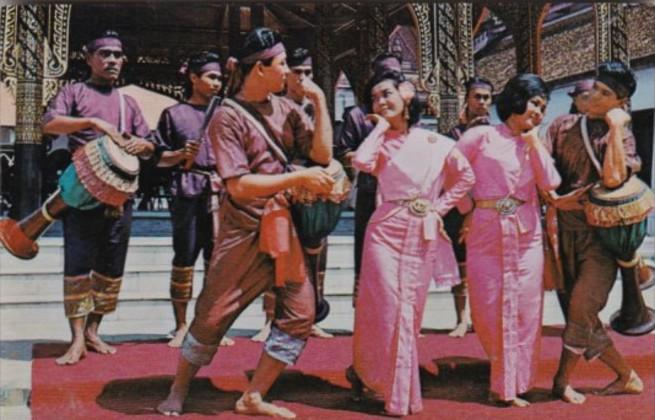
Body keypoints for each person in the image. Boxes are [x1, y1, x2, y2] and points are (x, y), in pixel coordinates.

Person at [157, 27, 334, 419]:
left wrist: (319, 102)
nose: (291, 71)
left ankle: (253, 396)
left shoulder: (288, 108)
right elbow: (238, 186)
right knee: (212, 315)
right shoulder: (226, 118)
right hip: (244, 230)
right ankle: (179, 387)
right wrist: (297, 179)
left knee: (302, 313)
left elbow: (321, 154)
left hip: (284, 227)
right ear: (259, 69)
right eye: (283, 63)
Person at [348, 71, 475, 416]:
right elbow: (361, 163)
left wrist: (440, 208)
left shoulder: (435, 143)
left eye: (387, 94)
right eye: (374, 98)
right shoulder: (379, 142)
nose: (381, 102)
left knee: (409, 311)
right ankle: (385, 384)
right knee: (386, 310)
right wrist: (378, 126)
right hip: (384, 230)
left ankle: (398, 390)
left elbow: (466, 176)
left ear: (406, 96)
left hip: (422, 229)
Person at [41, 30, 155, 365]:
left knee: (111, 267)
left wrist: (140, 146)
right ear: (88, 57)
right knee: (78, 265)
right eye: (104, 54)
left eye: (117, 55)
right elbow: (49, 124)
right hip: (83, 192)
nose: (112, 61)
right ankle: (75, 338)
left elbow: (148, 145)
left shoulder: (127, 102)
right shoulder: (73, 92)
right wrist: (92, 121)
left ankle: (93, 331)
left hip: (120, 196)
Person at [456, 74, 561, 407]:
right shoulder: (481, 136)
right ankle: (504, 376)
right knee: (488, 305)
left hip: (526, 233)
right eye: (534, 103)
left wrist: (535, 145)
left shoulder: (534, 143)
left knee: (527, 309)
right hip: (486, 230)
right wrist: (467, 207)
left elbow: (551, 182)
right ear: (516, 99)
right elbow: (450, 170)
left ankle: (510, 385)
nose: (539, 113)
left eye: (543, 107)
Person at [545, 61, 644, 404]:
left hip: (601, 239)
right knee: (581, 313)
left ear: (621, 103)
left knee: (581, 308)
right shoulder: (561, 126)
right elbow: (541, 174)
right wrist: (555, 201)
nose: (594, 96)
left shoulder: (624, 137)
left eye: (606, 94)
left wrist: (616, 129)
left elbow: (615, 178)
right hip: (562, 233)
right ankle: (627, 376)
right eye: (596, 89)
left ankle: (561, 381)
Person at [251, 47, 333, 342]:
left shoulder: (315, 108)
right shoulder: (274, 108)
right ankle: (270, 318)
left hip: (312, 195)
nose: (302, 78)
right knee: (278, 258)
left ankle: (312, 316)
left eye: (308, 72)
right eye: (297, 71)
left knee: (316, 258)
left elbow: (325, 154)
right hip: (282, 190)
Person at [155, 51, 234, 348]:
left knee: (217, 262)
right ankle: (181, 324)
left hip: (220, 191)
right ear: (193, 78)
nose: (217, 83)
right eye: (211, 77)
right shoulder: (173, 115)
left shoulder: (225, 112)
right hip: (187, 189)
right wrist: (179, 155)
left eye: (220, 78)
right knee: (184, 257)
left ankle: (212, 325)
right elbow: (158, 159)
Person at [333, 52, 405, 304]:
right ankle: (363, 300)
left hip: (402, 195)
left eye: (396, 77)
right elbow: (343, 153)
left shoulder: (408, 118)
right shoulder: (357, 115)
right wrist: (371, 159)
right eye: (385, 74)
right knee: (367, 247)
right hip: (369, 190)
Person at [443, 76, 493, 338]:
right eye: (477, 97)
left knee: (486, 268)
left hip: (487, 206)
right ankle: (461, 318)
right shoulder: (453, 135)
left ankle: (484, 319)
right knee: (461, 263)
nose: (482, 102)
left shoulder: (497, 133)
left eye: (486, 97)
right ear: (468, 99)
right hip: (461, 206)